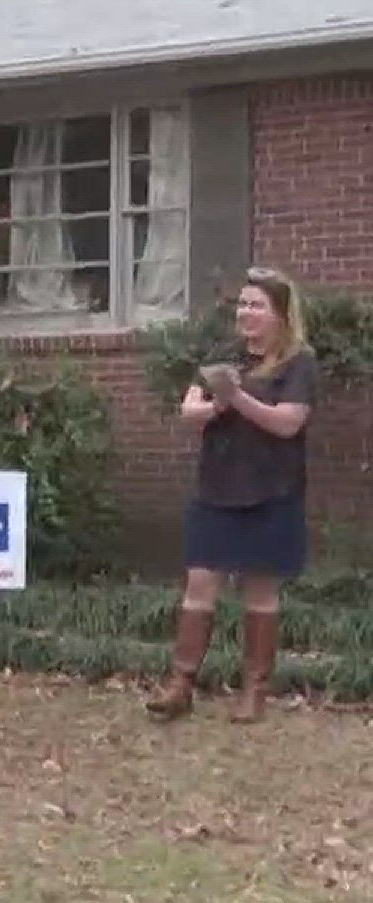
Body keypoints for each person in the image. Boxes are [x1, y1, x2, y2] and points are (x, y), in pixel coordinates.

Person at [147, 266, 319, 724]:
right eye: (242, 304)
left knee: (259, 590)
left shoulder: (299, 362)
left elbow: (288, 423)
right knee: (200, 583)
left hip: (271, 490)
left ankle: (253, 692)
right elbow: (190, 410)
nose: (245, 313)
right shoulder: (223, 354)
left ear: (280, 314)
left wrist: (238, 398)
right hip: (217, 487)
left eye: (256, 305)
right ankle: (181, 685)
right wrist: (217, 402)